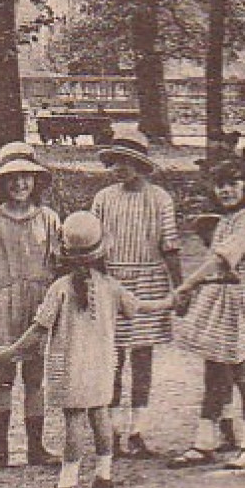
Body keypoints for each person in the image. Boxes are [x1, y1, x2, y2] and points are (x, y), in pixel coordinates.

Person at [0, 212, 176, 488]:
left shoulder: (60, 288)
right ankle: (103, 476)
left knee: (74, 422)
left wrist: (11, 352)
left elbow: (39, 329)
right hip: (103, 366)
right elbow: (140, 308)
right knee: (100, 416)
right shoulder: (110, 286)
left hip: (71, 368)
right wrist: (172, 300)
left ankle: (67, 483)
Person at [165, 160, 245, 470]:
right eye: (220, 184)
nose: (226, 190)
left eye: (234, 183)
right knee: (214, 373)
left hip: (237, 297)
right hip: (218, 297)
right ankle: (204, 442)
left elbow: (222, 259)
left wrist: (186, 285)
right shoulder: (226, 219)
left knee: (243, 371)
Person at [0, 142, 62, 473]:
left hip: (37, 307)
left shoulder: (49, 219)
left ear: (36, 181)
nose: (20, 184)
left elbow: (62, 265)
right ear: (1, 184)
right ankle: (1, 454)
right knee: (4, 378)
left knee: (35, 379)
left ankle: (36, 449)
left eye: (26, 177)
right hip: (3, 307)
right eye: (12, 178)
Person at [89, 135, 182, 459]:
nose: (120, 168)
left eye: (127, 162)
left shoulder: (159, 199)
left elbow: (170, 246)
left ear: (141, 166)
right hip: (112, 281)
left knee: (142, 359)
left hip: (150, 280)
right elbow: (93, 246)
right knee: (112, 359)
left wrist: (179, 289)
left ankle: (138, 431)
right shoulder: (103, 198)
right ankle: (112, 432)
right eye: (115, 161)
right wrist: (95, 285)